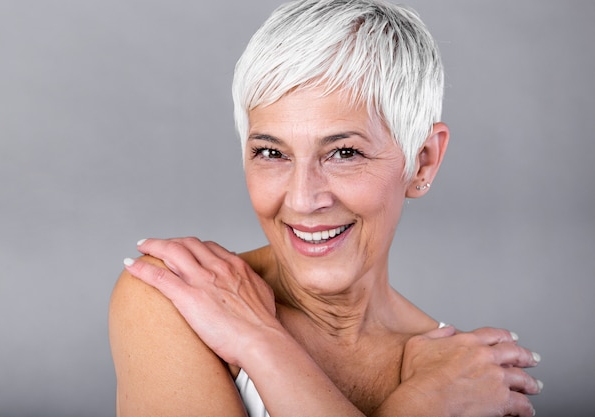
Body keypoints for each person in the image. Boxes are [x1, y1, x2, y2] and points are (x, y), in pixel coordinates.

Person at [109, 0, 543, 416]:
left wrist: (259, 343)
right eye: (271, 153)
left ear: (422, 161)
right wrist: (420, 405)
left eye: (344, 153)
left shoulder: (463, 374)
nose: (302, 199)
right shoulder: (177, 300)